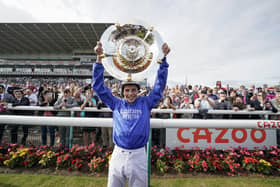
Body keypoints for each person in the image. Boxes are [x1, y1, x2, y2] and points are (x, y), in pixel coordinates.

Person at [92, 41, 170, 187]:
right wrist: (98, 59)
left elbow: (159, 87)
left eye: (133, 90)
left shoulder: (146, 103)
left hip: (139, 155)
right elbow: (98, 87)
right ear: (123, 92)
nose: (130, 93)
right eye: (127, 90)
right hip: (118, 154)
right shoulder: (116, 103)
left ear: (138, 91)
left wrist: (164, 59)